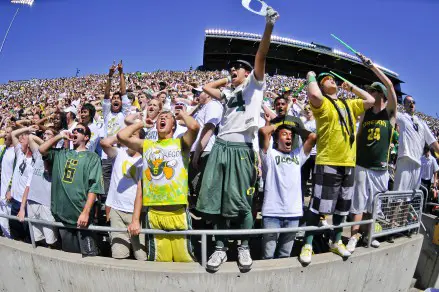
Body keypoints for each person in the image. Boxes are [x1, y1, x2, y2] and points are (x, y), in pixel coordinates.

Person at [196, 7, 279, 271]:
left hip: (242, 149)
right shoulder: (230, 94)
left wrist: (268, 26)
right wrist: (230, 77)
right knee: (219, 203)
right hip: (221, 146)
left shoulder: (255, 86)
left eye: (239, 69)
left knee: (243, 203)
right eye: (232, 68)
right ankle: (220, 249)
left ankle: (243, 247)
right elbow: (207, 88)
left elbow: (261, 54)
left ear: (249, 73)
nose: (234, 70)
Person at [299, 70, 375, 265]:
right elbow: (314, 94)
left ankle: (336, 240)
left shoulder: (349, 104)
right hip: (329, 160)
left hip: (348, 162)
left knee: (342, 208)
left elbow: (370, 101)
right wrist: (311, 76)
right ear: (322, 87)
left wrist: (351, 87)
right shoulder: (322, 103)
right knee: (318, 207)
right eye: (326, 80)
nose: (331, 80)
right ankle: (307, 243)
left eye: (332, 78)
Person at [119, 108, 199, 262]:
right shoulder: (147, 145)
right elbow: (121, 136)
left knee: (185, 260)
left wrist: (182, 114)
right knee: (159, 262)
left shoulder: (181, 143)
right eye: (160, 117)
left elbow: (195, 127)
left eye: (167, 117)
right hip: (154, 213)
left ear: (174, 125)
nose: (162, 118)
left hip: (178, 213)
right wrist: (141, 124)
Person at [346, 53, 398, 253]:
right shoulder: (365, 113)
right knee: (358, 204)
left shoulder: (390, 114)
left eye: (373, 91)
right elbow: (359, 136)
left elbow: (391, 87)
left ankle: (367, 235)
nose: (369, 94)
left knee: (373, 206)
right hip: (362, 164)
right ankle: (354, 236)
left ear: (381, 95)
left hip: (380, 168)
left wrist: (372, 67)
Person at [39, 123, 104, 256]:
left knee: (89, 257)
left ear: (86, 137)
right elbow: (42, 149)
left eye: (79, 130)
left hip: (82, 219)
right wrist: (59, 136)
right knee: (70, 257)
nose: (74, 132)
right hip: (63, 218)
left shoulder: (93, 157)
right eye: (73, 130)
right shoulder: (61, 153)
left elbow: (94, 187)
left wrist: (86, 212)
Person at [258, 122, 316, 259]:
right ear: (276, 140)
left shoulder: (298, 156)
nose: (289, 137)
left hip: (293, 213)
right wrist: (278, 124)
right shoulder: (270, 155)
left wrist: (295, 128)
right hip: (272, 213)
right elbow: (263, 131)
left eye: (290, 135)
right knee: (268, 255)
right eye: (284, 134)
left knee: (285, 254)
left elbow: (312, 137)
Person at [100, 132, 146, 260]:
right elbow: (104, 143)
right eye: (128, 135)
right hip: (117, 211)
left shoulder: (146, 157)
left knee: (142, 256)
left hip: (138, 213)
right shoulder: (119, 153)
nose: (130, 138)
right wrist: (121, 138)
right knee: (119, 255)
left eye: (134, 135)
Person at [17, 128, 59, 247]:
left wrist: (49, 144)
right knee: (37, 238)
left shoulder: (56, 154)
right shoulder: (37, 154)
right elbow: (31, 137)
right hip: (32, 200)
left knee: (51, 240)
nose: (45, 136)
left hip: (46, 203)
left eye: (48, 134)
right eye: (44, 134)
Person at [393, 95, 439, 191]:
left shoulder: (422, 123)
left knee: (410, 199)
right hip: (405, 160)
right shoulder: (401, 117)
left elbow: (433, 141)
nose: (411, 104)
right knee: (398, 197)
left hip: (418, 164)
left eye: (413, 102)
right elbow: (389, 110)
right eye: (409, 102)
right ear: (404, 105)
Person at [189, 89, 223, 208]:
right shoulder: (203, 107)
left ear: (208, 94)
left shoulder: (213, 105)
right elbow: (183, 119)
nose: (197, 95)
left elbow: (209, 128)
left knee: (203, 189)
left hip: (205, 150)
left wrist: (198, 152)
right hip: (198, 149)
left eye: (199, 93)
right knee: (196, 187)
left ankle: (207, 220)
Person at [9, 126, 38, 242]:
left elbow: (28, 186)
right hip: (14, 200)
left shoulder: (34, 162)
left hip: (24, 203)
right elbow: (13, 134)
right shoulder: (20, 153)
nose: (21, 138)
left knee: (27, 235)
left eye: (25, 137)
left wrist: (22, 208)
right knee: (15, 234)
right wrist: (28, 128)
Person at [0, 126, 15, 238]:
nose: (5, 135)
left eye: (8, 133)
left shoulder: (17, 152)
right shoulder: (3, 149)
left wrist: (10, 189)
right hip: (2, 191)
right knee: (3, 222)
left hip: (10, 193)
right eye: (5, 132)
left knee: (11, 223)